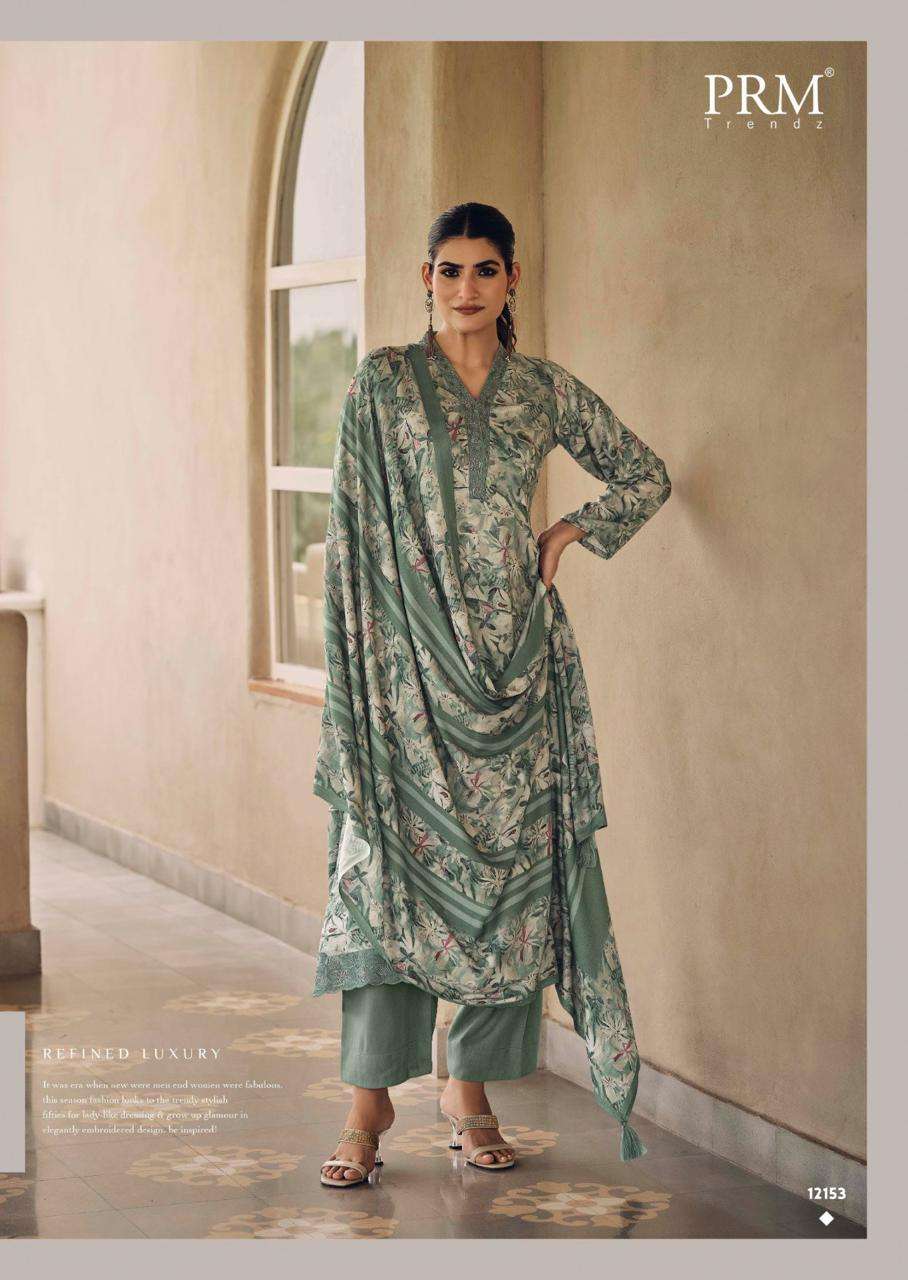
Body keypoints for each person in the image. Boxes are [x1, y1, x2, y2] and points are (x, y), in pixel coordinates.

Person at [311, 202, 672, 1187]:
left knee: (503, 889)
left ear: (512, 277)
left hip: (513, 677)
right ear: (424, 278)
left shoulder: (541, 392)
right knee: (386, 877)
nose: (464, 287)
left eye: (484, 269)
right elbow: (351, 534)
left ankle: (467, 1092)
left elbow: (643, 474)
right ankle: (367, 1103)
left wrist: (571, 531)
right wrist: (365, 678)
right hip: (404, 680)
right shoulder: (382, 385)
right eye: (448, 269)